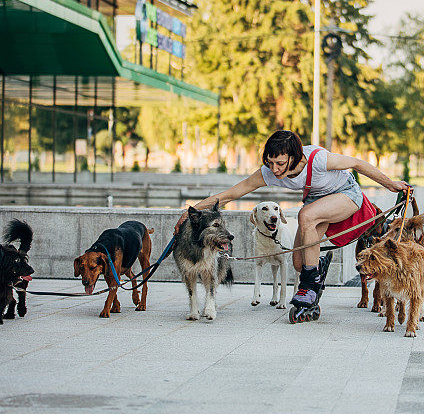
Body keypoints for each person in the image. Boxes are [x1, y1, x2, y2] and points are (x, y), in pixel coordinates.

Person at [174, 130, 409, 309]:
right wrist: (190, 211)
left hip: (346, 196)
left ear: (294, 157)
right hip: (317, 203)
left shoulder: (318, 159)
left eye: (280, 163)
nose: (274, 170)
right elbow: (229, 195)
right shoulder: (268, 171)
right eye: (270, 162)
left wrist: (391, 184)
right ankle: (317, 270)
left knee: (305, 215)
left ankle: (309, 285)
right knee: (299, 263)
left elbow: (357, 163)